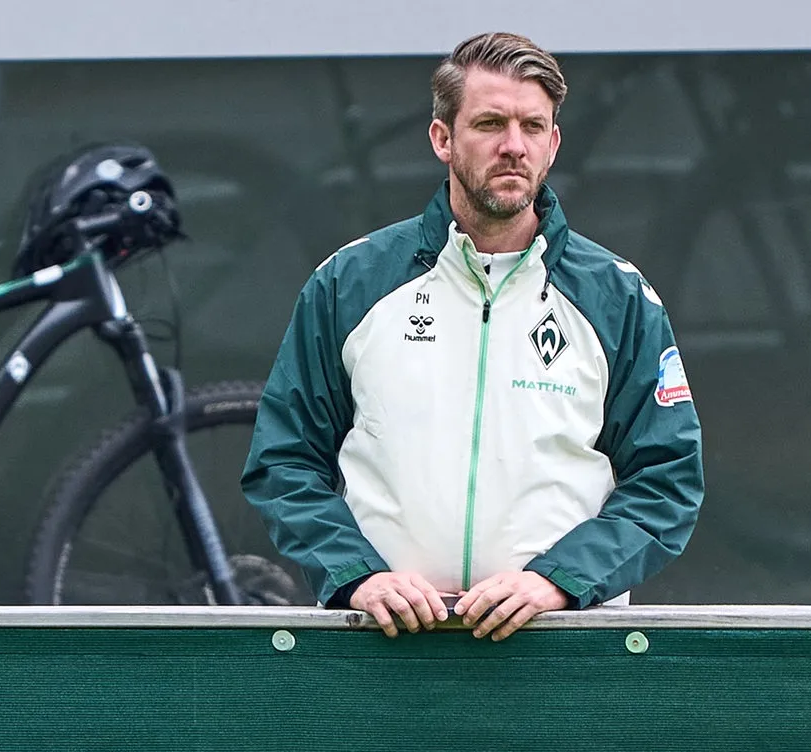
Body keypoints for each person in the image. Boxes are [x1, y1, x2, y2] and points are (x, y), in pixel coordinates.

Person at [243, 32, 704, 640]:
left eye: (532, 127)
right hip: (387, 648)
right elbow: (285, 461)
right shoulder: (350, 282)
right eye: (490, 123)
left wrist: (558, 580)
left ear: (553, 143)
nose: (514, 146)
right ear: (442, 138)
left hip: (564, 650)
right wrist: (357, 576)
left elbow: (666, 477)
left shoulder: (618, 297)